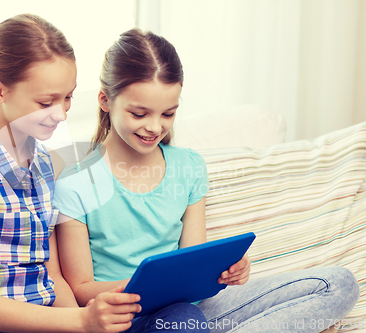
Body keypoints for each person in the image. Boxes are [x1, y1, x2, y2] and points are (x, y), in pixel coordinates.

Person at [53, 28, 360, 333]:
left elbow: (192, 261)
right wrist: (145, 288)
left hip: (193, 313)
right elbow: (81, 288)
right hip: (127, 321)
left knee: (337, 284)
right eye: (139, 113)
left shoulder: (187, 166)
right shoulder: (77, 181)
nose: (154, 127)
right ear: (105, 101)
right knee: (183, 320)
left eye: (168, 113)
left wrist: (222, 272)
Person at [0, 14, 149, 333]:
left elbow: (51, 279)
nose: (61, 113)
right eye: (46, 101)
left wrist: (85, 326)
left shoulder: (43, 163)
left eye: (68, 97)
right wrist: (81, 320)